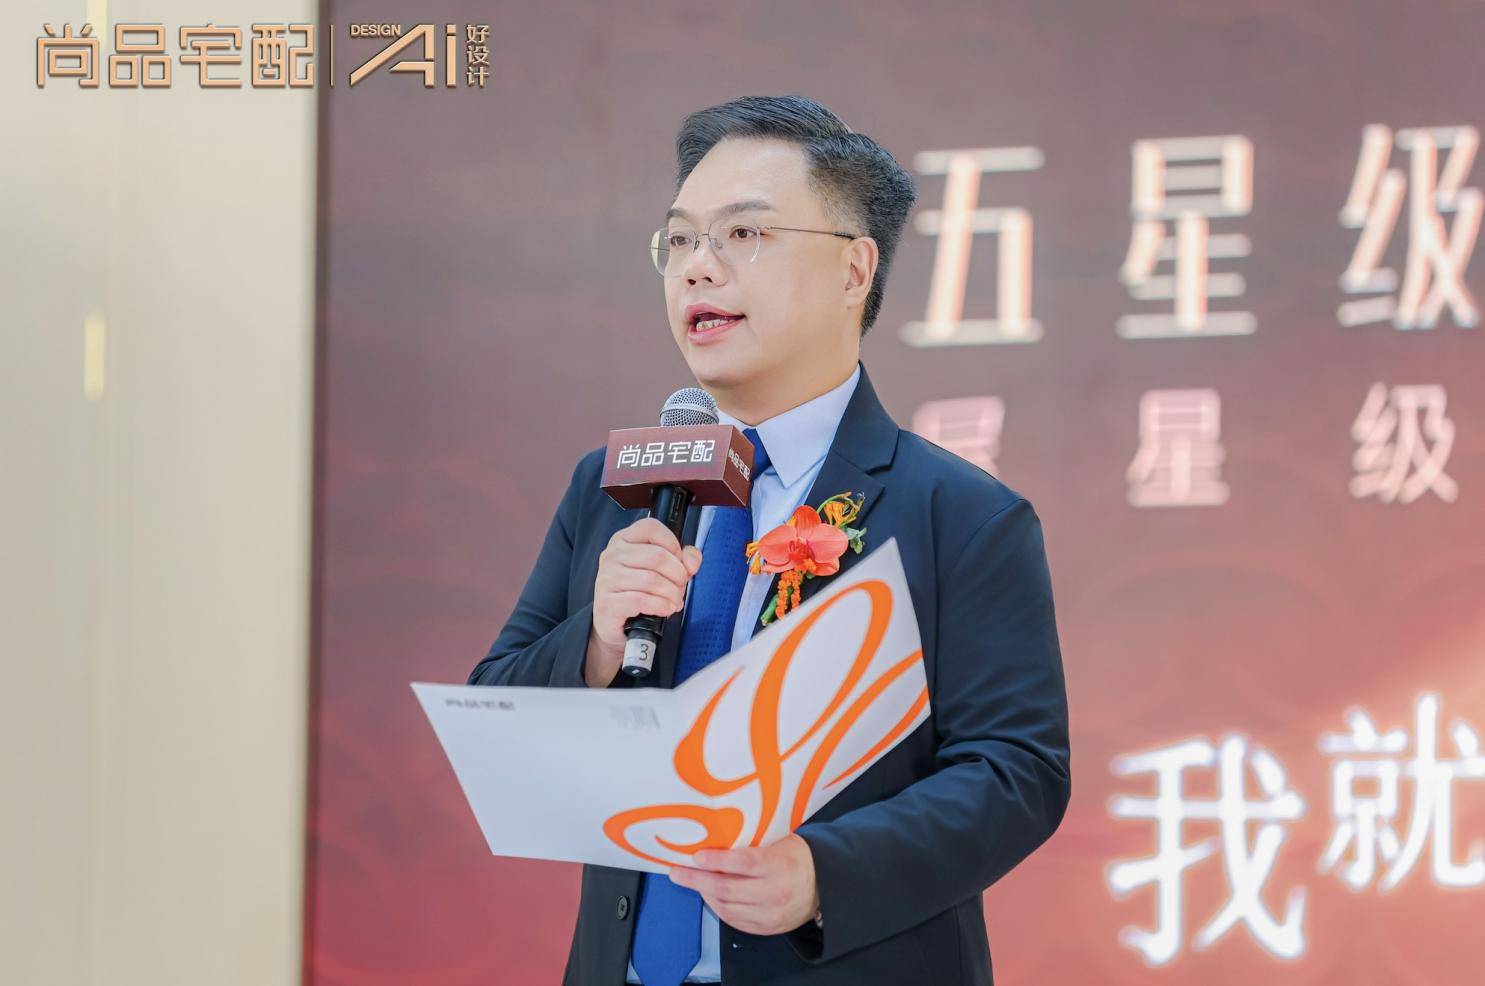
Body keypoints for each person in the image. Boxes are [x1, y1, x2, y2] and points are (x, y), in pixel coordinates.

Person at [469, 94, 1070, 986]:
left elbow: (1015, 773)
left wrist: (826, 873)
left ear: (853, 270)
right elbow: (494, 725)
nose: (697, 269)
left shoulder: (957, 514)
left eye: (742, 235)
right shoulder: (613, 489)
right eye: (679, 240)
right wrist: (595, 644)